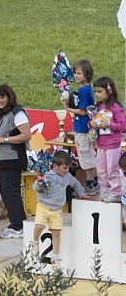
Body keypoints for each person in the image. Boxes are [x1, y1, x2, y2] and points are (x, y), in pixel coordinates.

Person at [30, 151, 89, 266]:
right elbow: (35, 187)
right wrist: (40, 182)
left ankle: (55, 257)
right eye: (65, 168)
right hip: (43, 206)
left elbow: (76, 183)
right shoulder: (47, 176)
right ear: (55, 166)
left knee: (56, 233)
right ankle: (35, 243)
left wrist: (81, 193)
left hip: (57, 210)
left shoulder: (67, 176)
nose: (67, 170)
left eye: (68, 168)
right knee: (39, 226)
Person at [0, 84, 32, 239]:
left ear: (9, 98)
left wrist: (6, 140)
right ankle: (16, 223)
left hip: (13, 158)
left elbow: (26, 135)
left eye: (2, 97)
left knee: (11, 192)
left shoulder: (17, 113)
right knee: (5, 192)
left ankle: (19, 226)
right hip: (3, 159)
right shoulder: (2, 115)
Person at [61, 59, 98, 195]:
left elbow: (83, 111)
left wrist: (68, 108)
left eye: (79, 73)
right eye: (75, 73)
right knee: (88, 155)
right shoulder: (84, 89)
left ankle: (90, 185)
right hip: (82, 127)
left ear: (87, 74)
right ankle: (94, 183)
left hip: (83, 128)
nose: (76, 76)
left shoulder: (85, 90)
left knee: (86, 157)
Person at [90, 76, 126, 203]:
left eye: (100, 91)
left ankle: (115, 192)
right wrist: (91, 123)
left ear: (109, 91)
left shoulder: (115, 107)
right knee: (101, 170)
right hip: (100, 145)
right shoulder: (97, 107)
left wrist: (109, 125)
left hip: (113, 146)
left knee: (112, 169)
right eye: (95, 91)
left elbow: (123, 125)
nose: (97, 94)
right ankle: (105, 190)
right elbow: (92, 121)